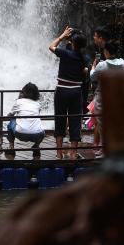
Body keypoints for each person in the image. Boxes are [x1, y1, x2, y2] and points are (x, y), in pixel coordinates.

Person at [49, 25, 87, 159]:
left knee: (60, 119)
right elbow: (85, 72)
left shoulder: (66, 53)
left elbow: (51, 46)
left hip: (62, 91)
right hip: (76, 92)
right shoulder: (84, 58)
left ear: (73, 43)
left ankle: (59, 153)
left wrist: (61, 36)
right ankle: (73, 153)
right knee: (75, 121)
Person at [89, 40, 124, 156]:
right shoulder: (122, 63)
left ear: (106, 51)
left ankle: (105, 149)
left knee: (102, 123)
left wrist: (93, 67)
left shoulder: (102, 65)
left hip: (103, 96)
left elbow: (93, 77)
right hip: (116, 96)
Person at [5, 82, 45, 159]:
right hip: (38, 135)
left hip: (20, 134)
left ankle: (11, 147)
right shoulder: (37, 104)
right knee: (39, 125)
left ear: (24, 92)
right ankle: (36, 146)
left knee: (11, 122)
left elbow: (9, 116)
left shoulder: (19, 102)